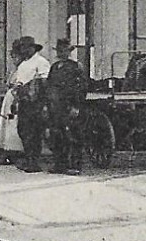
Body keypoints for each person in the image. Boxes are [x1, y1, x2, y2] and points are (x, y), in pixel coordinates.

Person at [45, 38, 88, 174]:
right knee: (57, 135)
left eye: (64, 50)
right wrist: (47, 105)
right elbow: (49, 87)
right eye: (59, 50)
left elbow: (81, 88)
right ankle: (59, 164)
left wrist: (76, 106)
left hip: (69, 106)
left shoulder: (76, 67)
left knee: (73, 136)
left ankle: (75, 166)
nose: (61, 53)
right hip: (55, 107)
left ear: (69, 52)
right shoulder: (54, 67)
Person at [10, 36, 51, 172]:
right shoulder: (23, 64)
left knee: (34, 132)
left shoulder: (41, 62)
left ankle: (34, 162)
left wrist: (44, 102)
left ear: (33, 48)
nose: (24, 50)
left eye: (26, 48)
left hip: (36, 102)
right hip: (24, 101)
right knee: (23, 130)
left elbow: (45, 83)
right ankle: (29, 159)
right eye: (22, 48)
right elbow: (19, 82)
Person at [0, 50, 26, 165]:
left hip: (16, 100)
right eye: (13, 58)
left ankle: (16, 150)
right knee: (7, 122)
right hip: (9, 99)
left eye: (16, 57)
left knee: (13, 122)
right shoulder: (14, 71)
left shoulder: (23, 69)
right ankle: (6, 149)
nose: (14, 60)